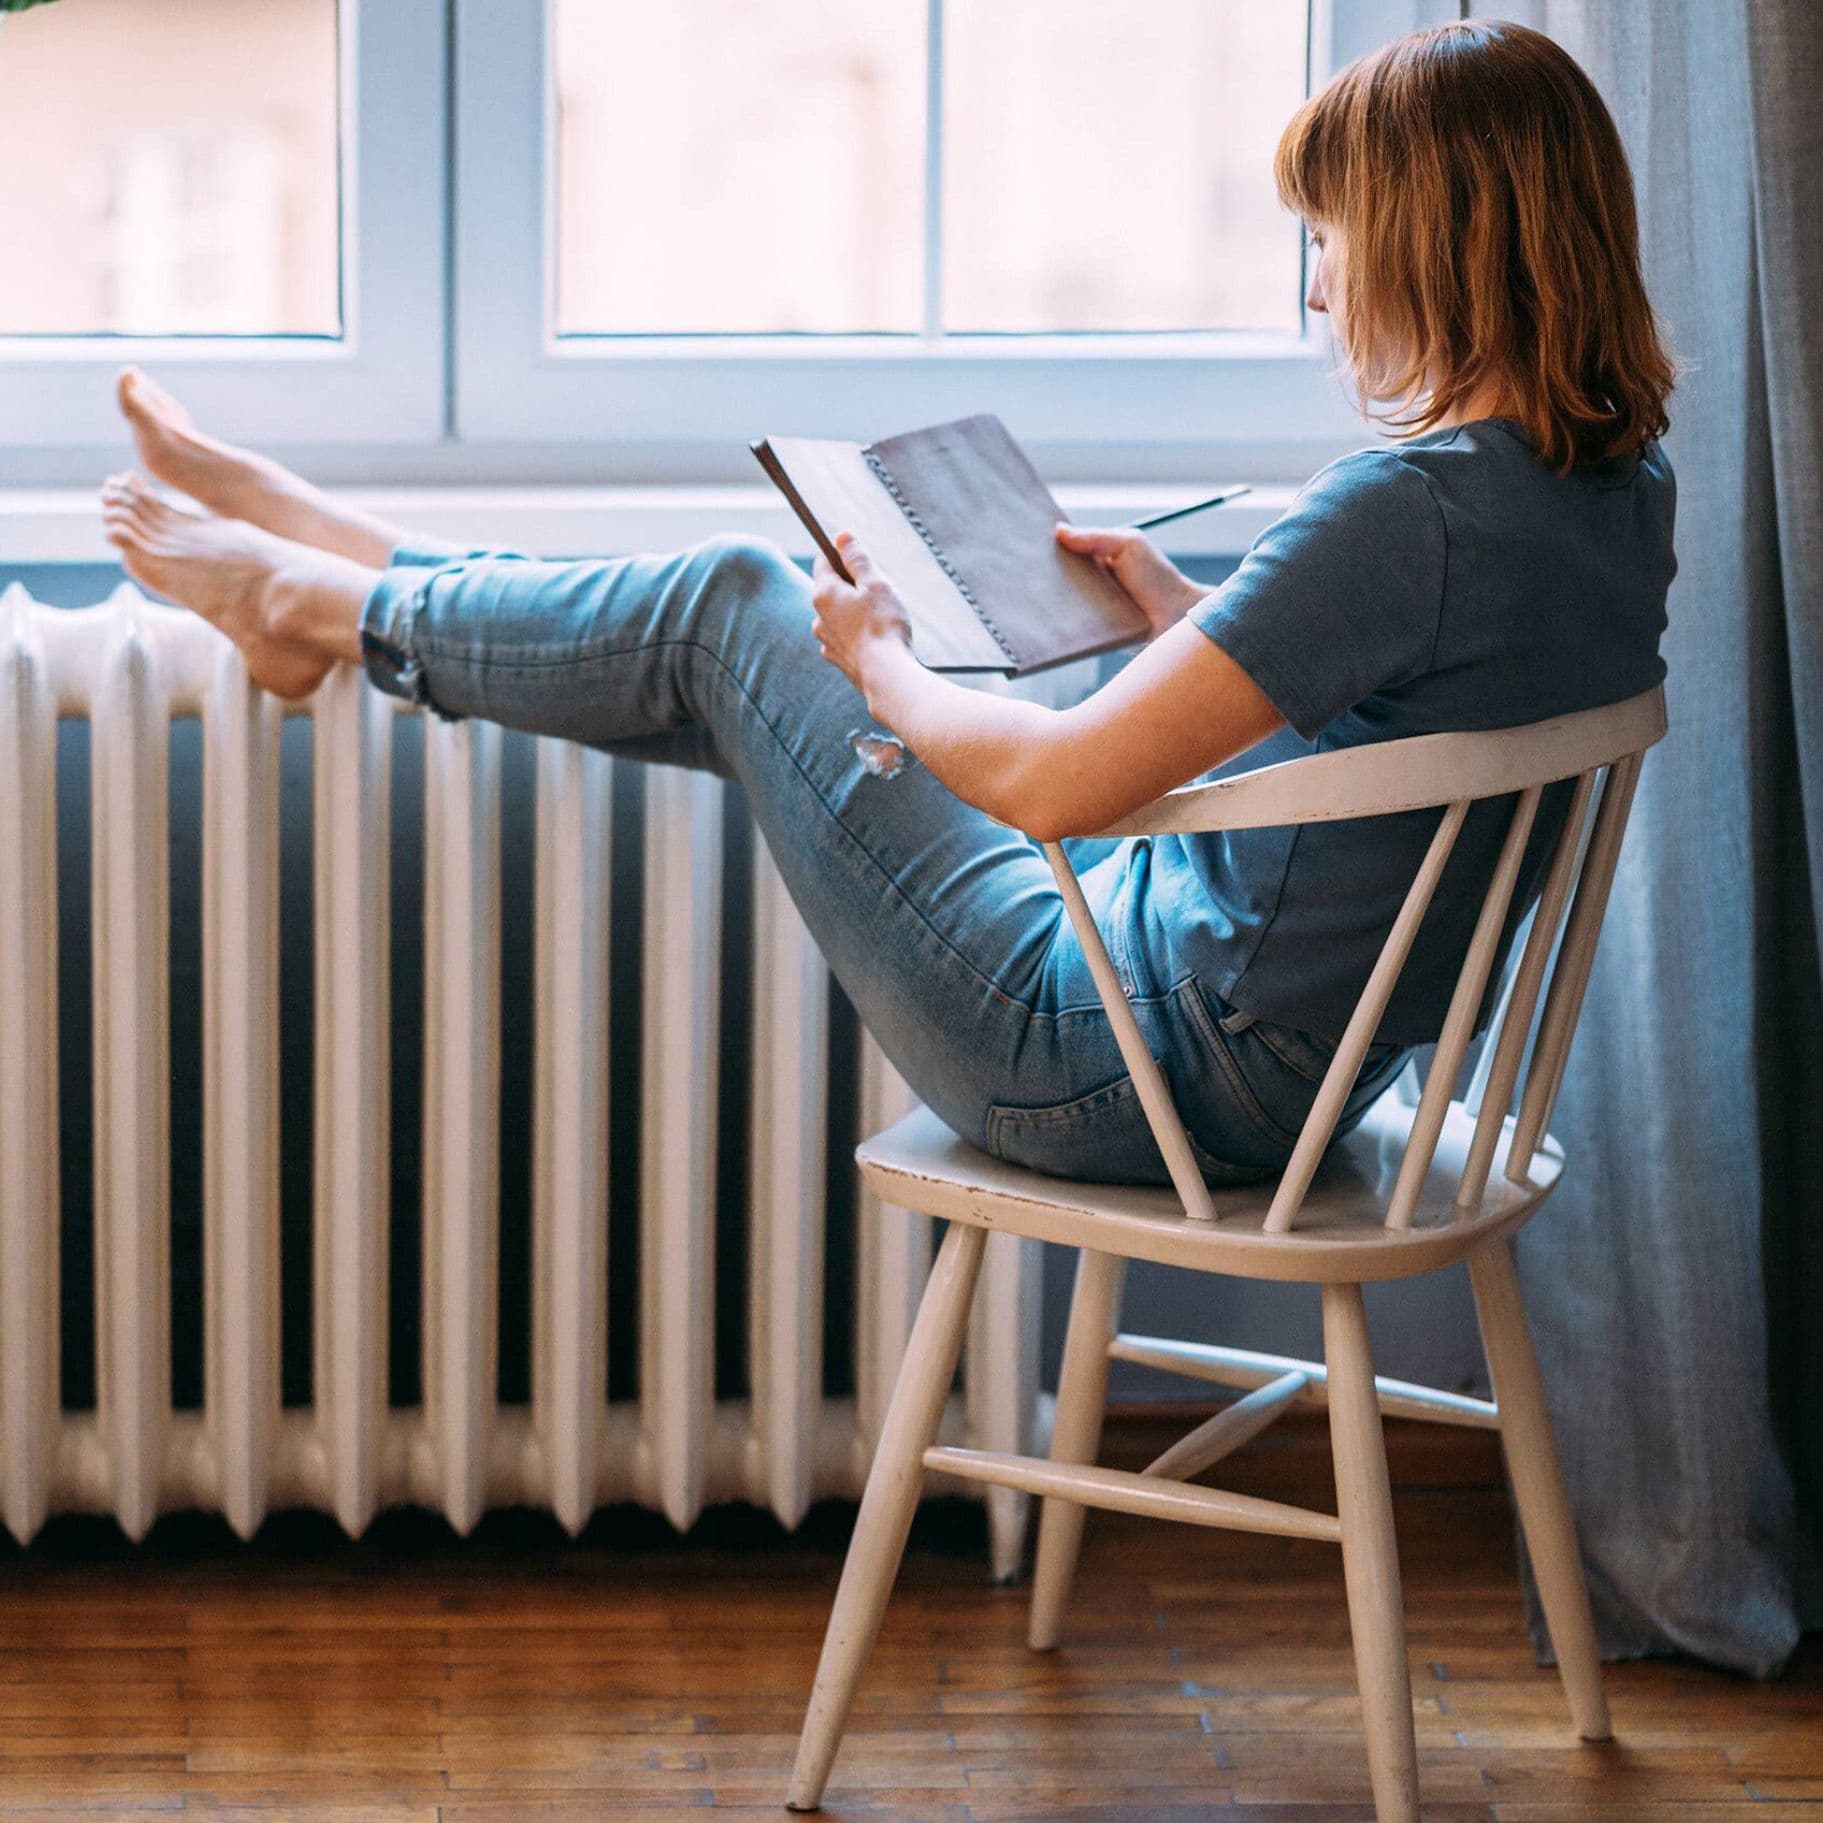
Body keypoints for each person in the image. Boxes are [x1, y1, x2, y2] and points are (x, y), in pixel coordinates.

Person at [99, 19, 1674, 1190]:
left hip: (1132, 1071)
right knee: (721, 656)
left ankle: (330, 599)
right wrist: (1183, 612)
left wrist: (886, 663)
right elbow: (1420, 709)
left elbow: (1057, 789)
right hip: (1291, 1063)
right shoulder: (1606, 493)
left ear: (1434, 245)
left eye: (1331, 241)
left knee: (734, 605)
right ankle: (356, 571)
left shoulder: (1402, 512)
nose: (1321, 287)